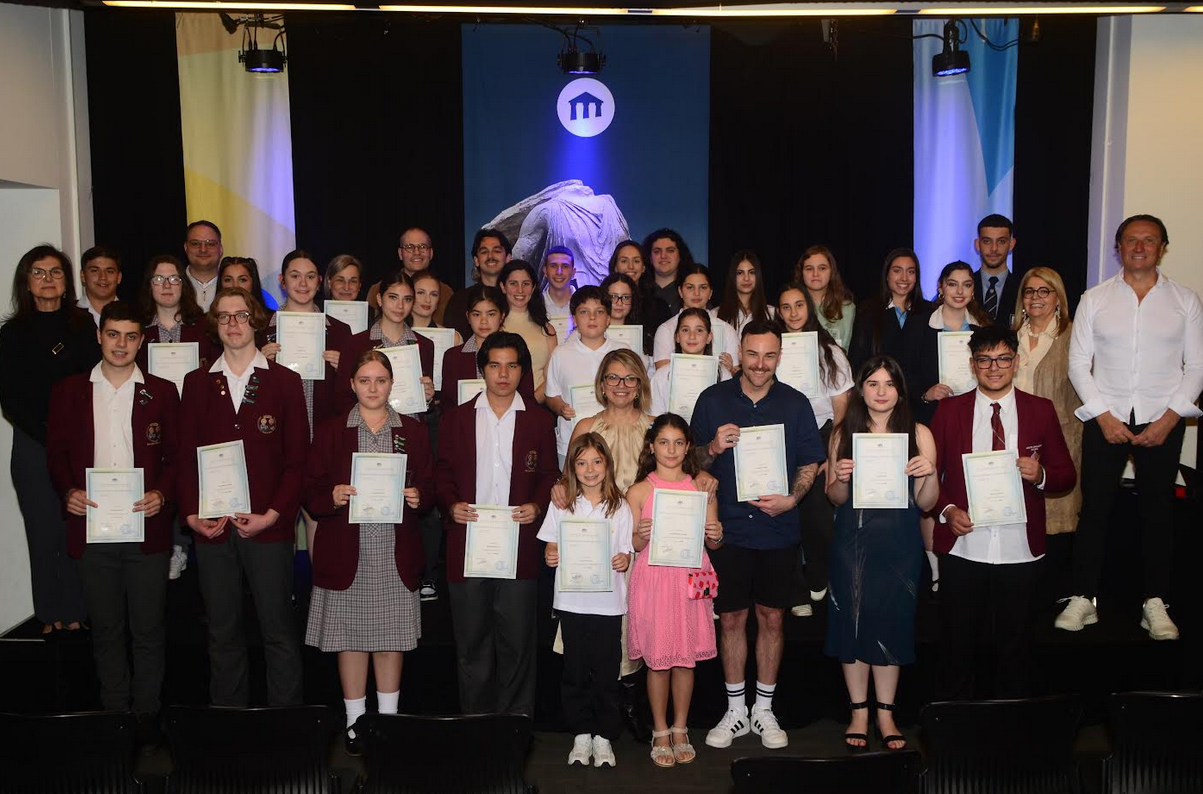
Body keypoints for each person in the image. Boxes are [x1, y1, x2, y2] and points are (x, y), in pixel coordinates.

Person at [1057, 214, 1203, 640]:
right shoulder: (1095, 298)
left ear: (1162, 247)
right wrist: (1103, 416)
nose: (1139, 247)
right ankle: (1084, 598)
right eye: (1131, 240)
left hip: (1163, 417)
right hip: (1107, 416)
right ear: (1118, 248)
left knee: (1158, 511)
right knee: (1095, 509)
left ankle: (1156, 602)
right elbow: (1078, 364)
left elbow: (1196, 367)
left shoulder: (1185, 301)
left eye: (1149, 240)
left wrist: (1170, 419)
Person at [46, 301, 178, 745]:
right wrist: (68, 491)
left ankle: (147, 716)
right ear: (99, 336)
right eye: (113, 334)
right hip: (93, 526)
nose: (121, 344)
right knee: (105, 630)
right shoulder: (69, 391)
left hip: (146, 528)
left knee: (148, 630)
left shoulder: (162, 392)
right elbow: (56, 455)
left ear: (141, 341)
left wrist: (163, 494)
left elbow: (175, 458)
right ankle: (115, 716)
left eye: (131, 336)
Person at [692, 321, 826, 751]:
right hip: (727, 528)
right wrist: (712, 448)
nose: (760, 364)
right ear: (740, 353)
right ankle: (735, 709)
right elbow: (688, 461)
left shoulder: (795, 403)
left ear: (779, 356)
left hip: (777, 528)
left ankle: (764, 709)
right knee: (731, 618)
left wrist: (793, 498)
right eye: (752, 354)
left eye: (769, 356)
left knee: (772, 617)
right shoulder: (712, 400)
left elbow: (810, 462)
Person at [176, 287, 307, 706]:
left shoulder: (284, 382)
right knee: (222, 632)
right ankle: (229, 726)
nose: (233, 324)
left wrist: (273, 515)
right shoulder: (196, 383)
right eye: (224, 316)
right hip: (213, 529)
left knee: (278, 631)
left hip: (268, 528)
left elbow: (297, 461)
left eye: (241, 315)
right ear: (214, 324)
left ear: (256, 321)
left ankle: (285, 725)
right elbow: (184, 458)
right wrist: (191, 515)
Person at [930, 327, 1076, 700]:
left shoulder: (1040, 409)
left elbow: (1066, 475)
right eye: (985, 360)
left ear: (1016, 362)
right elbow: (928, 476)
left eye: (1002, 359)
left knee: (1017, 649)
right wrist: (947, 509)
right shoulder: (949, 411)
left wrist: (1040, 475)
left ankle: (1012, 726)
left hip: (1019, 549)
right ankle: (958, 724)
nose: (994, 368)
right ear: (973, 365)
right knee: (958, 648)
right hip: (965, 547)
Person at [305, 349, 435, 754]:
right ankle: (354, 722)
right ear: (352, 384)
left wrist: (419, 496)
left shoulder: (413, 431)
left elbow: (430, 484)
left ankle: (389, 721)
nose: (373, 388)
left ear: (392, 383)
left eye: (380, 380)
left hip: (395, 548)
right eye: (365, 380)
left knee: (390, 639)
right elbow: (310, 489)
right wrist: (331, 495)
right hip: (347, 548)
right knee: (350, 639)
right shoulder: (331, 431)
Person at [435, 332, 558, 716]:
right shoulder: (456, 419)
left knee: (517, 644)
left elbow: (549, 474)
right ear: (482, 370)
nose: (503, 374)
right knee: (471, 644)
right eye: (494, 365)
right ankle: (476, 729)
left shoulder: (539, 420)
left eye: (511, 366)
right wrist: (450, 505)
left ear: (522, 371)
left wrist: (537, 506)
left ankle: (514, 730)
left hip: (518, 545)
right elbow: (441, 473)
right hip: (467, 544)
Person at [825, 355, 938, 749]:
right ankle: (858, 713)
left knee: (892, 623)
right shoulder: (842, 433)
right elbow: (834, 497)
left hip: (900, 544)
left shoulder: (919, 434)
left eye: (889, 384)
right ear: (861, 390)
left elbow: (927, 502)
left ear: (900, 391)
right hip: (852, 543)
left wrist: (930, 473)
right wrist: (841, 478)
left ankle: (886, 715)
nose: (881, 392)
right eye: (873, 383)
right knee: (852, 624)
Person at [0, 245, 99, 634]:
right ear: (26, 281)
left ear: (67, 281)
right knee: (42, 532)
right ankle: (48, 614)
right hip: (33, 443)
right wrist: (49, 437)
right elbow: (10, 398)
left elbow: (93, 381)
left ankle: (77, 612)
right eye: (38, 272)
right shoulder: (12, 332)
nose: (47, 280)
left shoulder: (82, 325)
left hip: (78, 443)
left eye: (56, 272)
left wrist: (71, 438)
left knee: (75, 527)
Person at [626, 414, 723, 767]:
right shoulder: (639, 491)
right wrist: (641, 535)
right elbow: (633, 545)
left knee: (685, 659)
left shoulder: (702, 488)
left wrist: (716, 534)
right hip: (654, 582)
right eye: (664, 442)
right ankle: (660, 730)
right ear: (651, 447)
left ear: (688, 447)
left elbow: (713, 540)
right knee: (658, 660)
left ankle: (681, 728)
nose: (671, 450)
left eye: (678, 442)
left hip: (688, 580)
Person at [538, 433, 634, 768]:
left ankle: (605, 735)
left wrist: (623, 559)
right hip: (572, 603)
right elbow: (551, 542)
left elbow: (626, 551)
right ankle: (581, 733)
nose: (589, 470)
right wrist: (551, 553)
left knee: (607, 672)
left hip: (608, 605)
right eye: (581, 463)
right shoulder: (563, 503)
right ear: (572, 467)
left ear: (607, 464)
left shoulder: (620, 506)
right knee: (574, 670)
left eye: (596, 462)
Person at [257, 251, 355, 561]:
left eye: (310, 276)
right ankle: (280, 588)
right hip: (276, 445)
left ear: (320, 281)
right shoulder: (261, 331)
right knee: (276, 524)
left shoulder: (339, 331)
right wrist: (259, 364)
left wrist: (344, 372)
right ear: (282, 281)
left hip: (322, 444)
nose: (303, 283)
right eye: (295, 276)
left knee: (320, 522)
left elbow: (349, 398)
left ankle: (319, 588)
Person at [136, 253, 219, 580]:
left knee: (194, 481)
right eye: (159, 279)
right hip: (153, 420)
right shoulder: (139, 330)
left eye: (173, 279)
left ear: (184, 285)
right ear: (149, 285)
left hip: (196, 418)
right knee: (161, 478)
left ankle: (191, 546)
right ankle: (170, 546)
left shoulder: (203, 327)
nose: (167, 285)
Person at [775, 284, 853, 618]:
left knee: (818, 515)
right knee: (785, 514)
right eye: (786, 307)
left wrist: (831, 454)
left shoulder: (830, 351)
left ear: (809, 308)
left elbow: (842, 410)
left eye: (799, 305)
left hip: (821, 435)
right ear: (779, 312)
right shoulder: (771, 349)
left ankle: (819, 575)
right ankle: (795, 591)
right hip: (778, 437)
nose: (793, 313)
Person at [1011, 268, 1082, 539]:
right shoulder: (1011, 336)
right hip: (1014, 437)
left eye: (1044, 291)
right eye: (1029, 291)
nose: (1035, 297)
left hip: (1060, 439)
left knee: (1054, 525)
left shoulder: (1074, 337)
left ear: (1058, 297)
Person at [545, 286, 632, 467]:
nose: (592, 318)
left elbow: (635, 394)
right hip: (572, 443)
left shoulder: (623, 351)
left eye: (599, 312)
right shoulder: (561, 353)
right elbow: (551, 395)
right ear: (574, 318)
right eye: (584, 312)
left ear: (608, 318)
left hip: (616, 441)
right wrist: (561, 408)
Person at [335, 271, 435, 416]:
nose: (400, 305)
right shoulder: (355, 344)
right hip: (367, 426)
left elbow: (427, 410)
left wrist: (427, 398)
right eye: (393, 297)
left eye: (407, 299)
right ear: (379, 299)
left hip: (411, 426)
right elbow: (342, 398)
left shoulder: (425, 345)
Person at [909, 261, 992, 425]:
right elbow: (905, 372)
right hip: (931, 417)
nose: (960, 291)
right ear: (941, 288)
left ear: (973, 290)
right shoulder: (918, 326)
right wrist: (925, 395)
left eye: (966, 285)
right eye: (952, 284)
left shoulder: (985, 329)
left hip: (977, 415)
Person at [440, 285, 535, 407]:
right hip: (464, 418)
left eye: (491, 314)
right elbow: (447, 404)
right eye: (476, 314)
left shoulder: (517, 351)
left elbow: (527, 399)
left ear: (502, 316)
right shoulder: (453, 356)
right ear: (468, 317)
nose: (483, 321)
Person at [848, 248, 928, 374]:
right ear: (887, 275)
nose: (904, 278)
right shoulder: (867, 311)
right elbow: (857, 359)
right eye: (897, 271)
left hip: (920, 386)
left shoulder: (928, 312)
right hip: (879, 384)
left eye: (911, 272)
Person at [651, 264, 740, 373]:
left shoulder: (727, 330)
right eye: (690, 287)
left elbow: (737, 374)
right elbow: (662, 374)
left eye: (703, 287)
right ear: (680, 291)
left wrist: (730, 370)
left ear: (710, 292)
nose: (696, 293)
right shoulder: (666, 329)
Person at [650, 309, 733, 417]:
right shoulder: (661, 376)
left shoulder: (724, 376)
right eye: (685, 330)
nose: (692, 336)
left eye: (699, 330)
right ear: (677, 337)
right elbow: (654, 416)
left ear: (709, 337)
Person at [499, 259, 558, 402]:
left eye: (525, 284)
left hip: (538, 404)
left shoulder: (547, 329)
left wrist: (530, 403)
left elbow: (552, 376)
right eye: (513, 283)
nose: (520, 290)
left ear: (533, 288)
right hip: (499, 404)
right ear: (503, 287)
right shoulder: (494, 326)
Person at [444, 228, 512, 343]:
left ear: (508, 258)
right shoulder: (460, 300)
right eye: (484, 252)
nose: (490, 256)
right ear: (476, 260)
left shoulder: (516, 298)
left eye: (496, 251)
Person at [796, 245, 857, 350]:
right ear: (802, 273)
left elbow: (848, 348)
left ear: (831, 272)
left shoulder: (847, 308)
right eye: (809, 269)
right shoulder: (792, 307)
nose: (815, 274)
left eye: (822, 268)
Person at [398, 226, 453, 325]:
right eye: (409, 247)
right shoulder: (381, 289)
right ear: (400, 253)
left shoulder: (445, 292)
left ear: (431, 253)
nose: (417, 252)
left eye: (423, 247)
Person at [973, 214, 1020, 328]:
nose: (994, 248)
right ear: (977, 245)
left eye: (1001, 241)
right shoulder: (963, 288)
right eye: (987, 241)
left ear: (1011, 244)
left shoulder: (1023, 289)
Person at [643, 229, 694, 327]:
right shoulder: (640, 292)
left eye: (670, 250)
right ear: (649, 257)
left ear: (680, 255)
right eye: (657, 251)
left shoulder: (693, 292)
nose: (663, 256)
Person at [716, 251, 774, 335]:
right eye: (740, 273)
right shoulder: (716, 314)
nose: (746, 278)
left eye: (752, 272)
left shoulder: (772, 313)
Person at [600, 272, 652, 359]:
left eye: (625, 297)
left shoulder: (642, 336)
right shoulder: (592, 332)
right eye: (613, 296)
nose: (619, 303)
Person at [183, 220, 224, 311]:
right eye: (195, 244)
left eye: (210, 244)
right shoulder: (173, 285)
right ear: (186, 248)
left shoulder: (232, 285)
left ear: (221, 249)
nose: (203, 250)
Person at [78, 246, 122, 327]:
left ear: (119, 277)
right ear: (83, 276)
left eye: (109, 271)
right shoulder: (67, 316)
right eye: (95, 271)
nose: (103, 277)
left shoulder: (135, 315)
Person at [543, 246, 576, 328]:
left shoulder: (586, 304)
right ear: (545, 271)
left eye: (565, 266)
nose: (559, 272)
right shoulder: (534, 305)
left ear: (573, 272)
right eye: (553, 266)